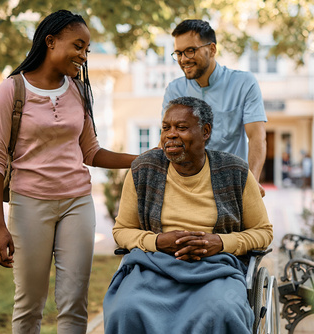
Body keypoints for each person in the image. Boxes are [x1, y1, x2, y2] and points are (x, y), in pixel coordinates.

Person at [0, 10, 137, 333]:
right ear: (50, 42)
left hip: (77, 204)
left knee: (74, 302)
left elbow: (91, 152)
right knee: (29, 304)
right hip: (29, 205)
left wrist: (140, 159)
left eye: (87, 50)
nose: (83, 55)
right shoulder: (11, 91)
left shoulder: (78, 92)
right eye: (78, 46)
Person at [103, 96, 273, 333]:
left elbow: (263, 232)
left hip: (216, 269)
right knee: (125, 308)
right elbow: (121, 231)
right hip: (154, 266)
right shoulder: (143, 169)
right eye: (166, 128)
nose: (170, 134)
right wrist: (157, 241)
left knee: (222, 310)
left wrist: (221, 242)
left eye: (181, 128)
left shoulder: (235, 171)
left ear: (205, 132)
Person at [162, 19, 267, 196]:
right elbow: (168, 140)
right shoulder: (174, 90)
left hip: (231, 188)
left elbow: (257, 137)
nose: (183, 59)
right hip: (187, 189)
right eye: (178, 53)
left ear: (211, 49)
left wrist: (252, 182)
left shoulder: (244, 83)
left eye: (190, 51)